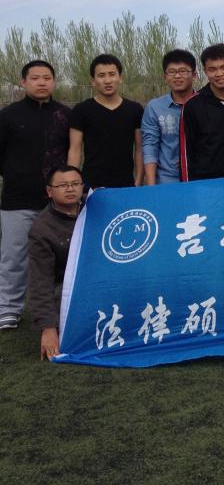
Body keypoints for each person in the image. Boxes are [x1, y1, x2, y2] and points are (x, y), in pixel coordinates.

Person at [0, 60, 71, 331]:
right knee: (14, 257)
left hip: (57, 202)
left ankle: (60, 307)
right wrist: (16, 174)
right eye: (35, 78)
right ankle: (9, 308)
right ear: (23, 82)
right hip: (17, 199)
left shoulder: (65, 115)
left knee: (62, 258)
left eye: (47, 78)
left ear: (54, 81)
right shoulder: (8, 116)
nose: (42, 82)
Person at [27, 165, 83, 360]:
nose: (70, 189)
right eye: (63, 185)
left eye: (75, 183)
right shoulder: (41, 229)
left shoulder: (96, 206)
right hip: (67, 287)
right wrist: (48, 328)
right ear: (49, 191)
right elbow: (40, 281)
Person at [68, 54, 144, 189]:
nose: (107, 80)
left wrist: (137, 182)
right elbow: (75, 149)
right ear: (93, 80)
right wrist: (72, 184)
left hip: (126, 185)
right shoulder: (81, 110)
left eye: (112, 74)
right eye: (101, 75)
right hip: (91, 186)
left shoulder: (135, 109)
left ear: (120, 78)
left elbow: (139, 149)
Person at [180, 43, 224, 180]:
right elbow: (186, 152)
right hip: (205, 182)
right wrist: (188, 185)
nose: (219, 74)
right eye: (212, 69)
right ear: (205, 71)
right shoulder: (192, 104)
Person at [141, 49, 196, 185]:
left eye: (183, 71)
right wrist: (151, 186)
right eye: (172, 72)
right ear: (165, 77)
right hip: (166, 181)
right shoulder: (154, 107)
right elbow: (150, 145)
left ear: (194, 75)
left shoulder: (205, 105)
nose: (177, 76)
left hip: (199, 178)